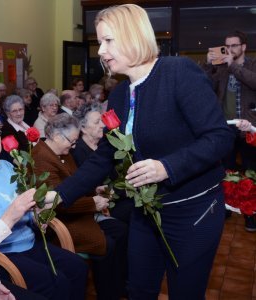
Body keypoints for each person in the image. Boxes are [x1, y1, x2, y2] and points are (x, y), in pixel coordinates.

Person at [55, 4, 234, 300]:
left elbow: (219, 137)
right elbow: (103, 156)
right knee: (138, 289)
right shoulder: (121, 94)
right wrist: (60, 195)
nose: (100, 50)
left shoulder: (179, 72)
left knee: (185, 293)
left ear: (132, 36)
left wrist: (167, 167)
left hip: (194, 211)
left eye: (108, 40)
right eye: (99, 41)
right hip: (146, 212)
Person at [0, 114, 88, 300]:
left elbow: (26, 205)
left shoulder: (7, 166)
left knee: (78, 267)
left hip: (30, 241)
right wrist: (12, 210)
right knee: (59, 283)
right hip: (2, 252)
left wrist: (37, 216)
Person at [32, 113, 128, 300]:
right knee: (106, 244)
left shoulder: (63, 153)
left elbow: (75, 184)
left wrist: (93, 190)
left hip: (78, 214)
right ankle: (108, 294)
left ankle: (120, 286)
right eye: (72, 141)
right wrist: (92, 203)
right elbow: (57, 204)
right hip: (61, 221)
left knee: (121, 230)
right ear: (58, 137)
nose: (74, 146)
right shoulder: (41, 158)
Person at [203, 30, 256, 231]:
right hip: (225, 128)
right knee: (225, 171)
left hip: (248, 128)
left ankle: (250, 214)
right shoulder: (222, 68)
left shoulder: (251, 65)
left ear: (243, 47)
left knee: (251, 174)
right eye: (227, 45)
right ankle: (225, 208)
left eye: (234, 45)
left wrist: (233, 65)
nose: (230, 49)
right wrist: (209, 64)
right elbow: (205, 85)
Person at [72, 103, 132, 224]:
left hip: (117, 196)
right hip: (96, 204)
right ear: (83, 128)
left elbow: (118, 176)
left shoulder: (106, 145)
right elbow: (81, 184)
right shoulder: (77, 151)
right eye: (96, 122)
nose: (102, 125)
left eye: (102, 121)